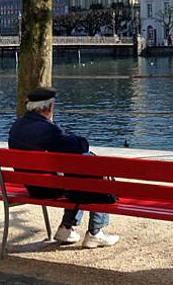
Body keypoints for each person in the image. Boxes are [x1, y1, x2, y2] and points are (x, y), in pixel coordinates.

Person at [8, 88, 120, 248]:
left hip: (32, 186)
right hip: (48, 188)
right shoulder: (48, 130)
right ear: (50, 107)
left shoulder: (16, 127)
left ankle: (66, 228)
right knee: (91, 171)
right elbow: (80, 145)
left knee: (79, 172)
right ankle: (95, 232)